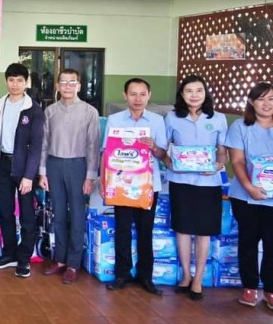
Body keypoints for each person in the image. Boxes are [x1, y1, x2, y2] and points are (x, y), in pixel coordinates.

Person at [165, 75, 228, 301]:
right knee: (182, 228)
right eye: (189, 91)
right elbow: (164, 148)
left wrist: (219, 164)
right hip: (180, 182)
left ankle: (198, 279)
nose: (194, 95)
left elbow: (222, 150)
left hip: (208, 183)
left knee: (203, 231)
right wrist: (168, 162)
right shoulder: (172, 118)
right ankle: (185, 275)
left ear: (205, 93)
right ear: (182, 94)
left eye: (198, 90)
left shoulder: (218, 118)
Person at [105, 78, 167, 295]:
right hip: (122, 184)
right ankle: (122, 274)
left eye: (142, 94)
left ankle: (145, 277)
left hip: (148, 186)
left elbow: (163, 154)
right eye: (133, 94)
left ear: (149, 95)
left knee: (145, 231)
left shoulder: (158, 121)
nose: (137, 98)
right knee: (122, 230)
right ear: (125, 95)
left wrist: (155, 147)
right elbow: (107, 151)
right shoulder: (114, 120)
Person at [38, 68, 100, 284]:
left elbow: (93, 147)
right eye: (63, 82)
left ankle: (73, 263)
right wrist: (42, 172)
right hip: (54, 165)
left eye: (72, 82)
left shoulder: (89, 112)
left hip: (78, 166)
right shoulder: (50, 111)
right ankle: (60, 259)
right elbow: (43, 143)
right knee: (58, 215)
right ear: (57, 85)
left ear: (79, 86)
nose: (67, 86)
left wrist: (90, 176)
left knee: (76, 215)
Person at [0, 63, 44, 278]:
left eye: (20, 80)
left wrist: (29, 176)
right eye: (11, 80)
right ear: (6, 81)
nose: (15, 84)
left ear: (26, 82)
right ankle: (10, 253)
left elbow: (37, 145)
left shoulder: (34, 109)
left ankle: (24, 258)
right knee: (5, 211)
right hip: (2, 165)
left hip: (23, 168)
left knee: (27, 215)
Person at [224, 82, 273, 310]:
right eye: (261, 99)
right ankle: (250, 287)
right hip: (245, 195)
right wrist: (249, 186)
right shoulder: (240, 126)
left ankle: (271, 289)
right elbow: (237, 161)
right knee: (248, 241)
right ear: (252, 102)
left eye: (271, 98)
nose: (266, 103)